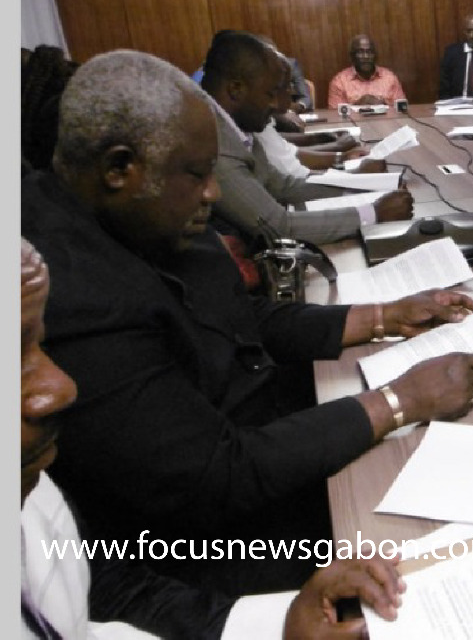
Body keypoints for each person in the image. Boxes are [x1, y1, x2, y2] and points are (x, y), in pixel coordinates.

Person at [22, 49, 473, 596]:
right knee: (459, 552)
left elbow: (240, 317)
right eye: (198, 174)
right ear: (119, 169)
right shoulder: (64, 293)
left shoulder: (147, 210)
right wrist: (399, 401)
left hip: (268, 449)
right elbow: (218, 476)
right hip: (216, 546)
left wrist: (384, 316)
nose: (214, 192)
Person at [20, 238, 407, 638]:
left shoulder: (33, 493)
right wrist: (395, 403)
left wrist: (280, 626)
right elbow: (221, 471)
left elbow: (102, 596)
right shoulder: (83, 284)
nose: (62, 388)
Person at [201, 30, 412, 245]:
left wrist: (365, 185)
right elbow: (279, 227)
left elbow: (285, 186)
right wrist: (373, 212)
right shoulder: (213, 142)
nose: (278, 105)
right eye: (270, 94)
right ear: (235, 89)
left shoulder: (238, 126)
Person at [327, 33, 407, 108]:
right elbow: (335, 115)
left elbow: (402, 110)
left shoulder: (390, 78)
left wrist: (383, 104)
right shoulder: (340, 82)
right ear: (352, 56)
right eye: (360, 52)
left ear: (375, 56)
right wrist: (357, 105)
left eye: (369, 52)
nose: (366, 56)